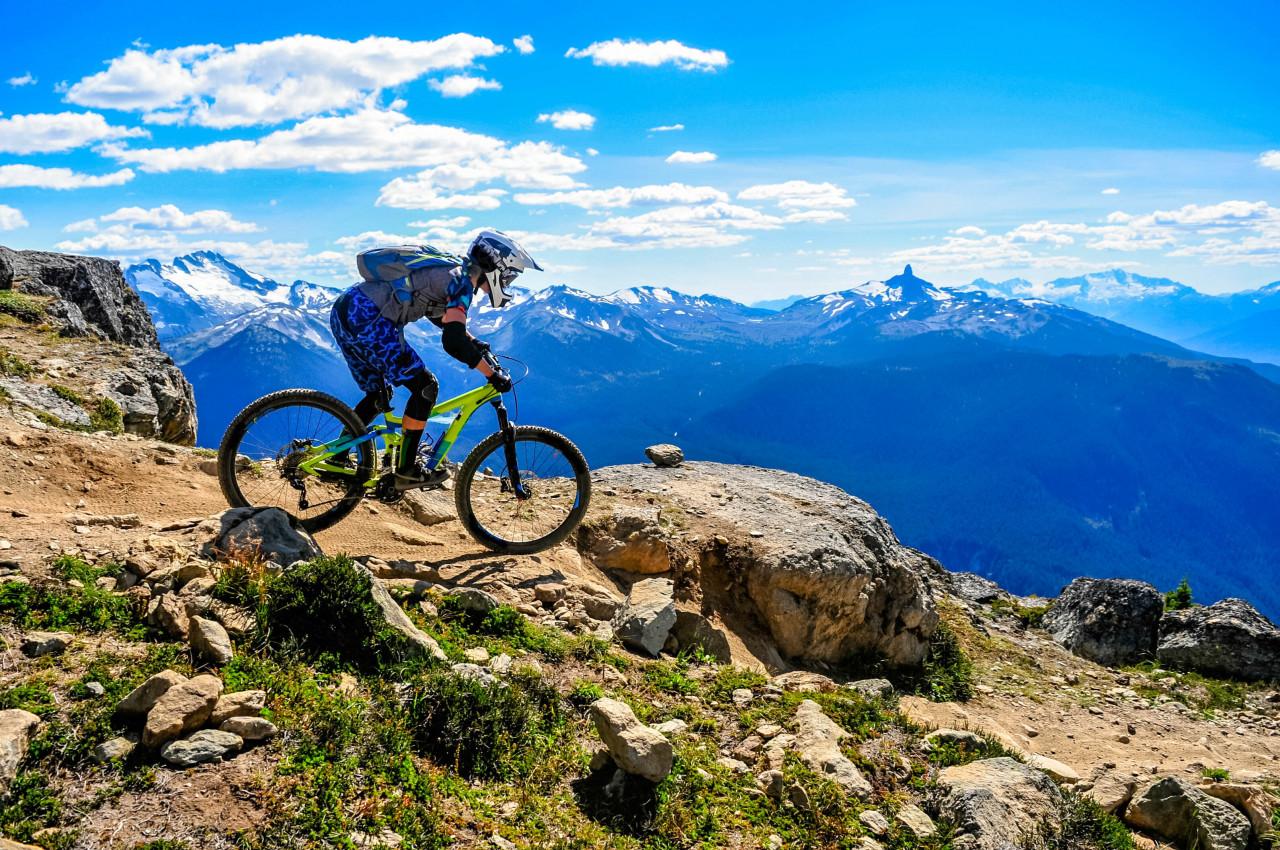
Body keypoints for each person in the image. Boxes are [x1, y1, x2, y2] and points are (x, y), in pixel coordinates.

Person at [328, 230, 541, 490]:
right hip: (368, 318)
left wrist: (476, 344)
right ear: (496, 266)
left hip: (346, 310)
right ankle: (406, 471)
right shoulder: (463, 281)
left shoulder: (454, 269)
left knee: (378, 396)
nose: (508, 281)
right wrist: (491, 374)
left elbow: (442, 318)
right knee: (425, 387)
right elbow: (452, 342)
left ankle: (336, 460)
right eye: (510, 273)